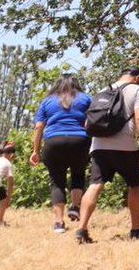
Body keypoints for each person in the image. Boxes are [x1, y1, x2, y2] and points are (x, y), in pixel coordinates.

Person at [76, 66, 139, 244]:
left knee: (95, 184)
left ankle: (82, 229)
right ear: (136, 77)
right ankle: (136, 229)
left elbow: (89, 121)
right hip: (125, 146)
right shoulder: (137, 89)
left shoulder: (104, 90)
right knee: (134, 185)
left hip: (99, 145)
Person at [30, 73, 92, 234]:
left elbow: (38, 127)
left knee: (57, 182)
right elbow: (90, 122)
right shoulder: (85, 99)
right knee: (78, 175)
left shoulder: (47, 101)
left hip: (53, 142)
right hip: (80, 141)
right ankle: (75, 207)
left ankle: (59, 223)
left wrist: (35, 151)